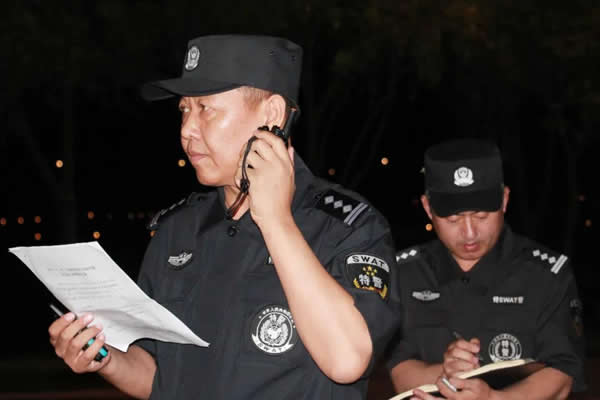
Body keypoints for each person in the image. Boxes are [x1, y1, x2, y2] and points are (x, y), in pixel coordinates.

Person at [48, 34, 400, 399]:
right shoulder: (177, 231)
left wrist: (276, 221)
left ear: (271, 114)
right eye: (184, 110)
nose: (187, 130)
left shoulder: (346, 227)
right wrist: (104, 358)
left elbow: (347, 361)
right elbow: (161, 376)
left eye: (206, 109)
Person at [386, 138, 586, 400]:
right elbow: (399, 370)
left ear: (504, 200)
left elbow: (563, 375)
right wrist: (445, 373)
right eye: (453, 219)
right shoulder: (406, 273)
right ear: (427, 208)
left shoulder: (546, 275)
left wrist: (494, 398)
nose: (469, 233)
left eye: (481, 216)